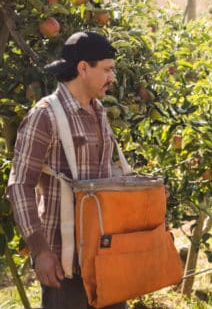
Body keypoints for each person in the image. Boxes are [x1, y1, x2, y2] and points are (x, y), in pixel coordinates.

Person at [6, 31, 127, 309]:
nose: (112, 78)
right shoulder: (45, 115)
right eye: (107, 70)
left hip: (105, 257)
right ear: (83, 68)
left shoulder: (99, 112)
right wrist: (40, 250)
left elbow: (104, 175)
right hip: (65, 264)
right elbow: (20, 185)